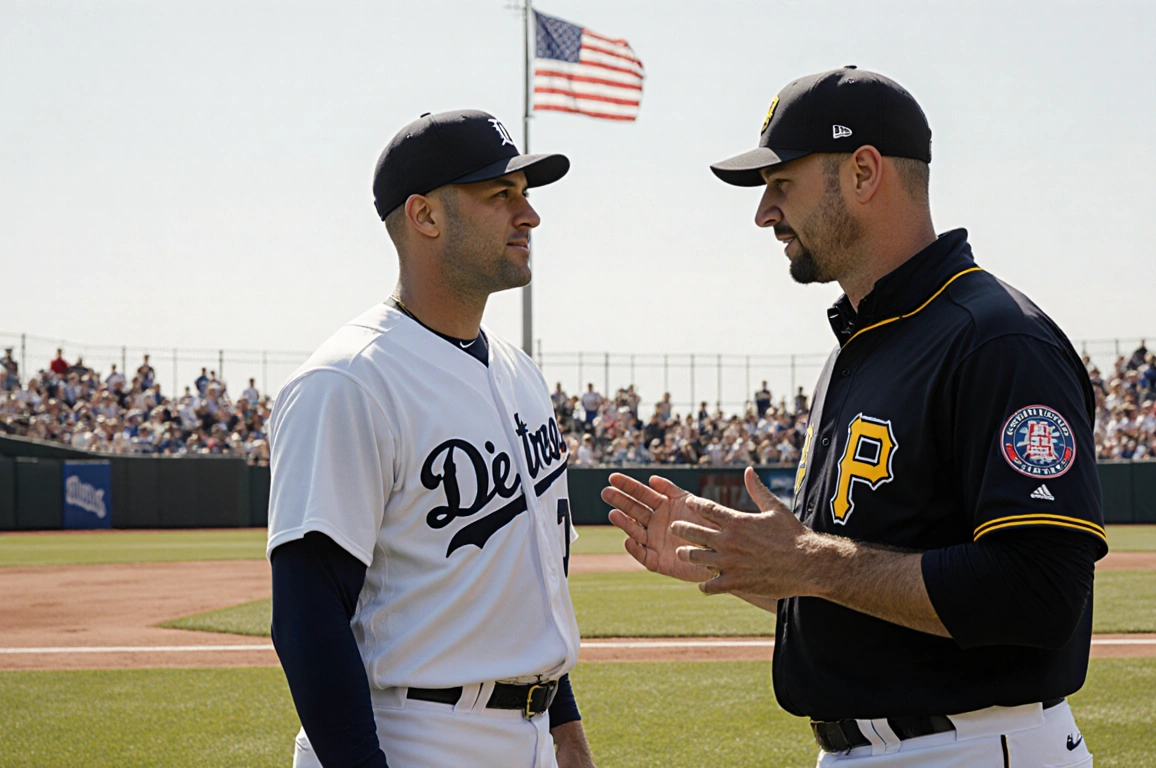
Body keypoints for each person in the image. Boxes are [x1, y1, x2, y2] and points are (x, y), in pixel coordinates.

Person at [604, 67, 1104, 767]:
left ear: (865, 172)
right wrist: (744, 563)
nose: (764, 213)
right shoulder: (857, 351)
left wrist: (808, 561)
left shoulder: (997, 338)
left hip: (978, 746)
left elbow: (1039, 593)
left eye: (782, 184)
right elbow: (859, 591)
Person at [267, 109, 592, 768]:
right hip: (413, 735)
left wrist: (565, 728)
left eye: (525, 197)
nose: (528, 216)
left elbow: (525, 586)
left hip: (526, 736)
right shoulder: (349, 380)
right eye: (502, 196)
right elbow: (307, 614)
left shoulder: (518, 370)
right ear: (425, 216)